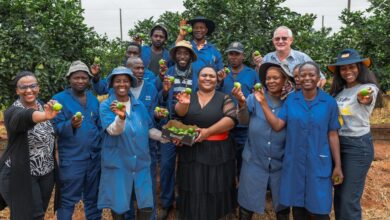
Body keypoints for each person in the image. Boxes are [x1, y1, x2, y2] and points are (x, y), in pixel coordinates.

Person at [256, 61, 343, 219]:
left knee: (320, 211)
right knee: (298, 210)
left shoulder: (329, 102)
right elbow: (277, 125)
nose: (307, 78)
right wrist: (263, 104)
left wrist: (337, 165)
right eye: (303, 75)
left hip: (319, 163)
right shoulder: (291, 100)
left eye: (311, 74)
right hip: (295, 163)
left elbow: (332, 134)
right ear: (298, 79)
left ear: (318, 78)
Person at [98, 67, 164, 220]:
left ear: (130, 84)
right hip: (119, 163)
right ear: (112, 84)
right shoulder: (107, 106)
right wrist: (121, 118)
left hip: (141, 163)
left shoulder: (139, 105)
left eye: (126, 81)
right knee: (119, 205)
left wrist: (166, 137)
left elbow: (149, 130)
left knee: (146, 205)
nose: (122, 84)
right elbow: (113, 130)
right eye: (118, 81)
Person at [174, 65, 237, 220]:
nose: (208, 78)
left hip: (218, 153)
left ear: (217, 80)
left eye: (211, 76)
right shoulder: (189, 96)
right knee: (193, 187)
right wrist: (183, 103)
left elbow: (231, 119)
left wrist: (208, 132)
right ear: (198, 78)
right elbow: (179, 114)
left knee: (216, 187)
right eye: (204, 75)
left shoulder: (224, 98)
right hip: (191, 152)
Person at [232, 62, 294, 220]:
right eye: (268, 78)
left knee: (282, 205)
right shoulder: (254, 97)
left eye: (276, 78)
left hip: (281, 162)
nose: (271, 81)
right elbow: (244, 121)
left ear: (285, 80)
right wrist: (241, 103)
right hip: (254, 160)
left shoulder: (291, 101)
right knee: (246, 204)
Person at [328, 49, 381, 220]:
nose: (348, 71)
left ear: (359, 68)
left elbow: (366, 97)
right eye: (343, 69)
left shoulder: (367, 88)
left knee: (349, 199)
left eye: (352, 67)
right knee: (339, 196)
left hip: (357, 147)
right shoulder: (339, 92)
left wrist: (363, 98)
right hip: (337, 145)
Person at [0, 71, 59, 219]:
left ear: (38, 88)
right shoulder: (12, 112)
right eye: (23, 87)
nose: (28, 90)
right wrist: (44, 116)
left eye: (32, 85)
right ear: (17, 90)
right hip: (22, 173)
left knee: (38, 214)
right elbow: (24, 117)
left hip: (46, 172)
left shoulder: (42, 105)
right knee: (28, 215)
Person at [52, 61, 102, 219]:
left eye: (84, 77)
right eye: (76, 77)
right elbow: (53, 128)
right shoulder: (59, 99)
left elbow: (99, 126)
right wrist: (70, 124)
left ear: (88, 79)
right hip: (72, 160)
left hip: (94, 159)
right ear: (69, 79)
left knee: (93, 199)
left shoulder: (93, 100)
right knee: (67, 200)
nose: (80, 81)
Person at [156, 40, 198, 220]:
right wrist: (165, 92)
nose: (182, 57)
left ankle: (183, 202)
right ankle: (166, 203)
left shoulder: (197, 75)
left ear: (190, 56)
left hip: (189, 126)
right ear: (175, 56)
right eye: (179, 53)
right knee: (166, 165)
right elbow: (160, 99)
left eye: (186, 53)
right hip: (171, 124)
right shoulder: (168, 73)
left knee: (187, 165)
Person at [219, 41, 259, 180]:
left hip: (245, 127)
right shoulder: (223, 73)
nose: (233, 57)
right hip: (226, 125)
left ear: (243, 56)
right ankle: (227, 196)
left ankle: (241, 196)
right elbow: (214, 95)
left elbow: (258, 95)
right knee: (226, 164)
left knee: (244, 164)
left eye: (237, 54)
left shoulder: (252, 74)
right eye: (231, 54)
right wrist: (219, 82)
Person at [253, 26, 326, 88]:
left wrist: (310, 94)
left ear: (291, 40)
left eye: (284, 38)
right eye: (277, 39)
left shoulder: (302, 58)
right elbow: (260, 81)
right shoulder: (267, 58)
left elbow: (322, 79)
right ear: (273, 41)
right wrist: (258, 65)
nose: (280, 41)